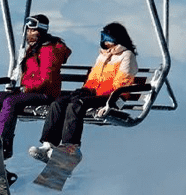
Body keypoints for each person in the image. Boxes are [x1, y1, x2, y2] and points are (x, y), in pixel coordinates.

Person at [0, 15, 70, 161]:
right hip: (30, 90)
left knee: (10, 102)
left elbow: (46, 79)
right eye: (28, 30)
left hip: (45, 94)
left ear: (40, 31)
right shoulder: (34, 49)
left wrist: (25, 89)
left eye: (32, 30)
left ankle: (2, 142)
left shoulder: (49, 50)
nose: (29, 33)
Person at [28, 22, 138, 164]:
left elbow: (121, 83)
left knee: (77, 104)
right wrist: (86, 89)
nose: (105, 41)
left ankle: (70, 148)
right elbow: (93, 78)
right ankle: (49, 145)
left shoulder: (127, 55)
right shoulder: (103, 55)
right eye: (103, 37)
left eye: (108, 38)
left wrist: (107, 101)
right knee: (59, 102)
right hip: (93, 92)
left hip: (112, 96)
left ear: (117, 39)